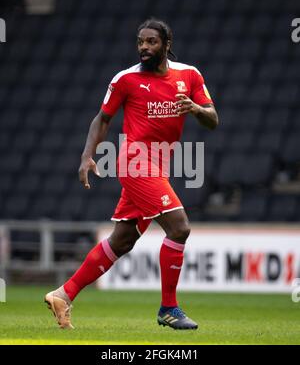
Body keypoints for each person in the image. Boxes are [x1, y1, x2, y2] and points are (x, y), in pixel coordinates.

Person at [45, 18, 218, 330]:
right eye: (140, 42)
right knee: (179, 228)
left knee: (122, 240)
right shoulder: (125, 79)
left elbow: (212, 119)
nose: (144, 48)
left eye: (151, 42)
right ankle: (169, 308)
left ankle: (63, 294)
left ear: (167, 44)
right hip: (135, 161)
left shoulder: (190, 76)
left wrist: (195, 108)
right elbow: (102, 119)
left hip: (160, 164)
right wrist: (87, 156)